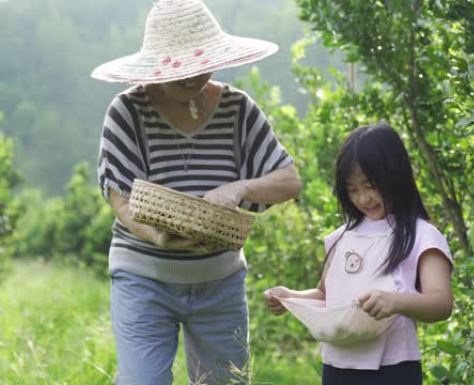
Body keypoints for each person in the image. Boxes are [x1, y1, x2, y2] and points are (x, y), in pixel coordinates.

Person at [91, 1, 301, 384]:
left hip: (220, 280)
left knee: (226, 381)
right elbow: (120, 200)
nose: (192, 79)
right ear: (156, 66)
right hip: (144, 277)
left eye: (199, 66)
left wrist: (240, 188)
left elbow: (289, 181)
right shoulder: (126, 111)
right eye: (180, 70)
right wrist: (161, 236)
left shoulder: (238, 109)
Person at [264, 123, 453, 385]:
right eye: (352, 190)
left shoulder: (421, 235)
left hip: (393, 369)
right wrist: (290, 297)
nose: (363, 198)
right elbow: (325, 294)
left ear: (395, 176)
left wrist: (395, 302)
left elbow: (442, 303)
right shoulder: (343, 236)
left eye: (370, 185)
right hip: (337, 366)